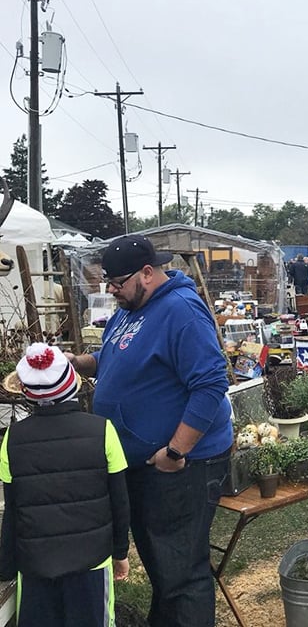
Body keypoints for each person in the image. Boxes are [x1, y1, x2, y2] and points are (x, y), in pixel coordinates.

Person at [66, 235, 233, 627]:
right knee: (163, 566)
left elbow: (210, 385)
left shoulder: (181, 311)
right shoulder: (131, 307)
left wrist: (175, 452)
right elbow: (115, 353)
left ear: (147, 273)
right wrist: (79, 362)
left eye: (117, 282)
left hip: (182, 466)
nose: (111, 290)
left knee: (182, 571)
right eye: (107, 281)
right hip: (143, 462)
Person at [0, 343, 130, 627]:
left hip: (34, 566)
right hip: (92, 562)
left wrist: (6, 567)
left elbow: (12, 510)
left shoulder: (11, 439)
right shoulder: (103, 431)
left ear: (28, 394)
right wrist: (121, 553)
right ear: (72, 384)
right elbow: (120, 501)